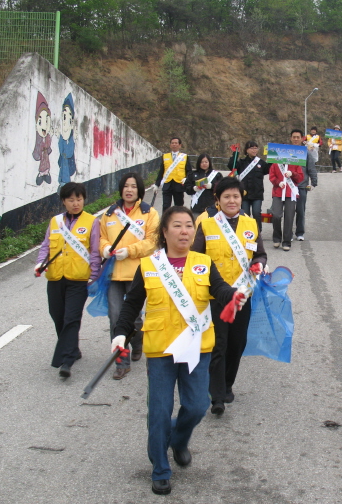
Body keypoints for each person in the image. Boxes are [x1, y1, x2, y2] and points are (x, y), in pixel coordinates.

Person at [110, 206, 246, 495]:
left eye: (188, 226)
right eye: (178, 226)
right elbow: (132, 305)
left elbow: (219, 289)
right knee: (159, 411)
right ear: (165, 232)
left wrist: (233, 295)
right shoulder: (148, 265)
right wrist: (120, 334)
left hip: (197, 347)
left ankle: (179, 439)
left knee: (197, 406)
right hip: (161, 349)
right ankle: (160, 468)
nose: (185, 231)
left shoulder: (203, 262)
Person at [191, 177, 267, 415]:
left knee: (237, 342)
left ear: (241, 198)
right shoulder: (207, 225)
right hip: (216, 296)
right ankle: (217, 395)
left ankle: (228, 383)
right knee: (218, 344)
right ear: (218, 199)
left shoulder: (251, 224)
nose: (232, 201)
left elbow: (260, 254)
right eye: (226, 197)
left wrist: (260, 265)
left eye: (236, 196)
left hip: (243, 294)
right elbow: (195, 257)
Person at [35, 182, 101, 378]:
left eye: (79, 199)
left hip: (78, 279)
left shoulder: (92, 222)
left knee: (71, 317)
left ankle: (66, 360)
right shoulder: (55, 222)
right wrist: (40, 263)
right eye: (71, 199)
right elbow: (46, 246)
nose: (75, 203)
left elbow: (95, 250)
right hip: (55, 277)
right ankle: (73, 348)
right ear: (64, 201)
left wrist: (94, 274)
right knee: (57, 315)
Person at [99, 172, 160, 380]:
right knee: (115, 316)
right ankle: (121, 362)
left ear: (139, 189)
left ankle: (138, 340)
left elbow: (152, 241)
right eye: (126, 186)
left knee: (134, 318)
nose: (129, 190)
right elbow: (102, 238)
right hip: (114, 274)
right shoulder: (109, 214)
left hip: (138, 273)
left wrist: (130, 251)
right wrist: (105, 248)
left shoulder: (149, 213)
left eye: (133, 186)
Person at [269, 131, 305, 251]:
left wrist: (292, 173)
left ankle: (286, 241)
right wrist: (277, 182)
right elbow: (271, 176)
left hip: (291, 193)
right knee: (276, 215)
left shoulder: (295, 162)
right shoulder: (275, 163)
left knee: (289, 216)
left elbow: (300, 177)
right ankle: (276, 238)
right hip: (278, 192)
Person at [229, 140, 269, 232]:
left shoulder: (261, 163)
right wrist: (235, 154)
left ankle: (257, 231)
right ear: (246, 150)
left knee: (256, 213)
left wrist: (271, 157)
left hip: (257, 193)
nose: (254, 150)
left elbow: (269, 169)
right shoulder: (242, 162)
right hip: (244, 194)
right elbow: (232, 166)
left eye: (256, 148)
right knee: (245, 214)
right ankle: (245, 231)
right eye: (252, 148)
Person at [155, 137, 191, 211]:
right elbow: (161, 171)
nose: (174, 144)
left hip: (179, 185)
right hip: (167, 184)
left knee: (179, 206)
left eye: (176, 143)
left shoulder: (185, 157)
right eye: (172, 143)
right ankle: (165, 222)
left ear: (180, 145)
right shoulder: (165, 156)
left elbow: (189, 171)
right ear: (170, 145)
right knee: (165, 206)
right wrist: (156, 184)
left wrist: (186, 179)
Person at [295, 135, 318, 242]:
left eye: (298, 137)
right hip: (287, 187)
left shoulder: (306, 153)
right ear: (291, 138)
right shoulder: (285, 152)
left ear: (301, 139)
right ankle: (287, 233)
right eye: (294, 137)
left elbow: (311, 168)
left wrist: (314, 182)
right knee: (288, 212)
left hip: (302, 186)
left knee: (300, 210)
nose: (296, 139)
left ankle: (300, 232)